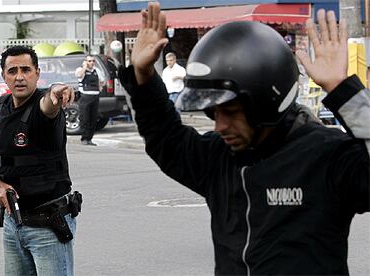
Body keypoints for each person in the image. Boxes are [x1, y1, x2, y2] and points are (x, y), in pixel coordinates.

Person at [119, 2, 369, 275]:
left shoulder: (327, 156)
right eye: (213, 112)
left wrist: (344, 92)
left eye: (231, 111)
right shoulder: (219, 157)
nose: (219, 126)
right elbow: (166, 139)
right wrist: (142, 77)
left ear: (266, 101)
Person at [0, 46, 82, 276]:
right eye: (12, 71)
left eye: (26, 70)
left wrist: (56, 92)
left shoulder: (43, 107)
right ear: (4, 76)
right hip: (14, 224)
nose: (19, 76)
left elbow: (49, 105)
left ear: (37, 73)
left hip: (48, 225)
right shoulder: (0, 107)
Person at [75, 55, 104, 145]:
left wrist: (100, 88)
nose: (91, 63)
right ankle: (84, 138)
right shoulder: (81, 70)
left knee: (93, 118)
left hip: (95, 96)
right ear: (86, 61)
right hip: (85, 96)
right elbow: (79, 75)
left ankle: (90, 138)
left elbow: (102, 80)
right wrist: (84, 67)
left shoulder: (96, 71)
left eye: (93, 61)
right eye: (89, 61)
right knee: (85, 118)